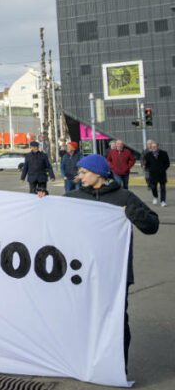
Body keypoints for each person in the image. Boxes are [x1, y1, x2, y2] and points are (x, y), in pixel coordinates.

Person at [64, 154, 158, 369]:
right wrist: (41, 200)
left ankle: (116, 368)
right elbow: (49, 219)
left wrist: (131, 212)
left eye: (84, 172)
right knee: (82, 318)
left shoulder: (124, 197)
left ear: (98, 173)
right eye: (79, 172)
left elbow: (152, 226)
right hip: (80, 272)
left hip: (115, 273)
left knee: (116, 320)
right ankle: (85, 363)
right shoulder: (72, 198)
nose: (80, 176)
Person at [143, 140, 169, 207]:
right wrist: (150, 169)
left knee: (163, 188)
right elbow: (146, 164)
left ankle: (163, 201)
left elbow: (167, 163)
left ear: (158, 146)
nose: (154, 148)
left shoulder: (164, 153)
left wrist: (163, 169)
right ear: (151, 147)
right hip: (153, 174)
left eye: (155, 146)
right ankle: (155, 197)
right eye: (152, 147)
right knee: (153, 187)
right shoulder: (148, 155)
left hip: (162, 174)